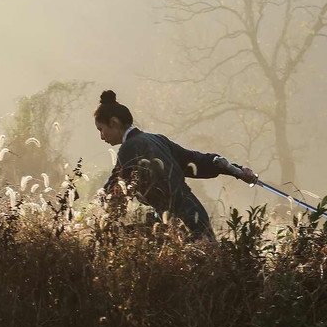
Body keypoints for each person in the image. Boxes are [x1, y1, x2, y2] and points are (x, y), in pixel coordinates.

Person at [95, 90, 256, 241]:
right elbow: (198, 161)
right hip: (194, 213)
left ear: (114, 122)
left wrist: (101, 220)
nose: (101, 137)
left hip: (179, 223)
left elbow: (114, 191)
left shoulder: (129, 148)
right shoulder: (157, 139)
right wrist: (238, 170)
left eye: (101, 129)